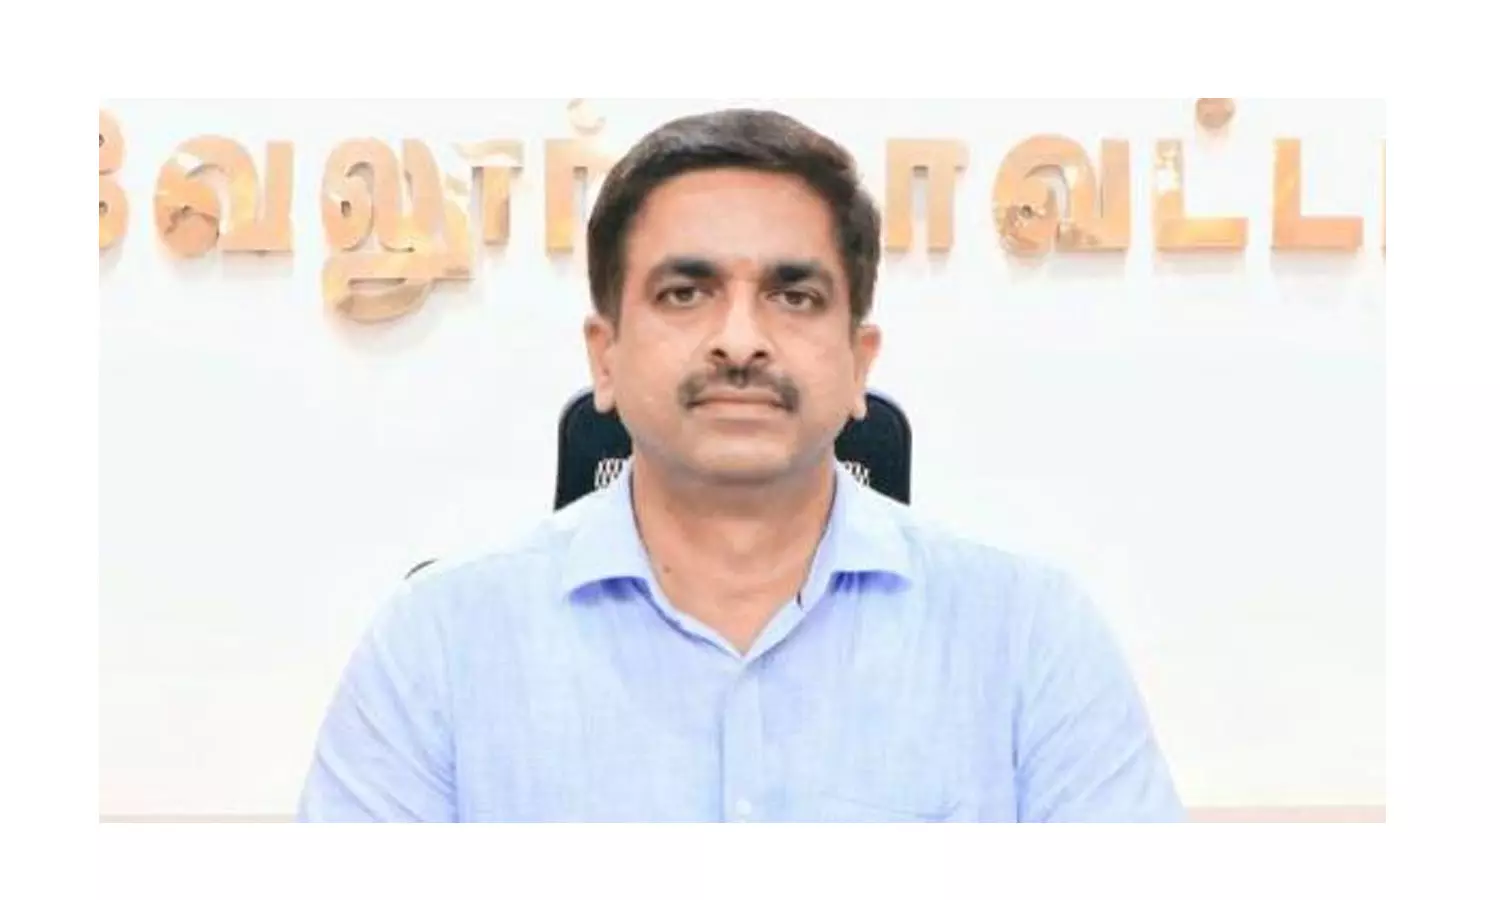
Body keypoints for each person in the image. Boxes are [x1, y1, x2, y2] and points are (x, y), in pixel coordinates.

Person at [296, 108, 1184, 823]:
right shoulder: (440, 645)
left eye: (794, 295)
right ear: (605, 356)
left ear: (859, 363)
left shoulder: (1028, 637)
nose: (740, 341)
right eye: (685, 293)